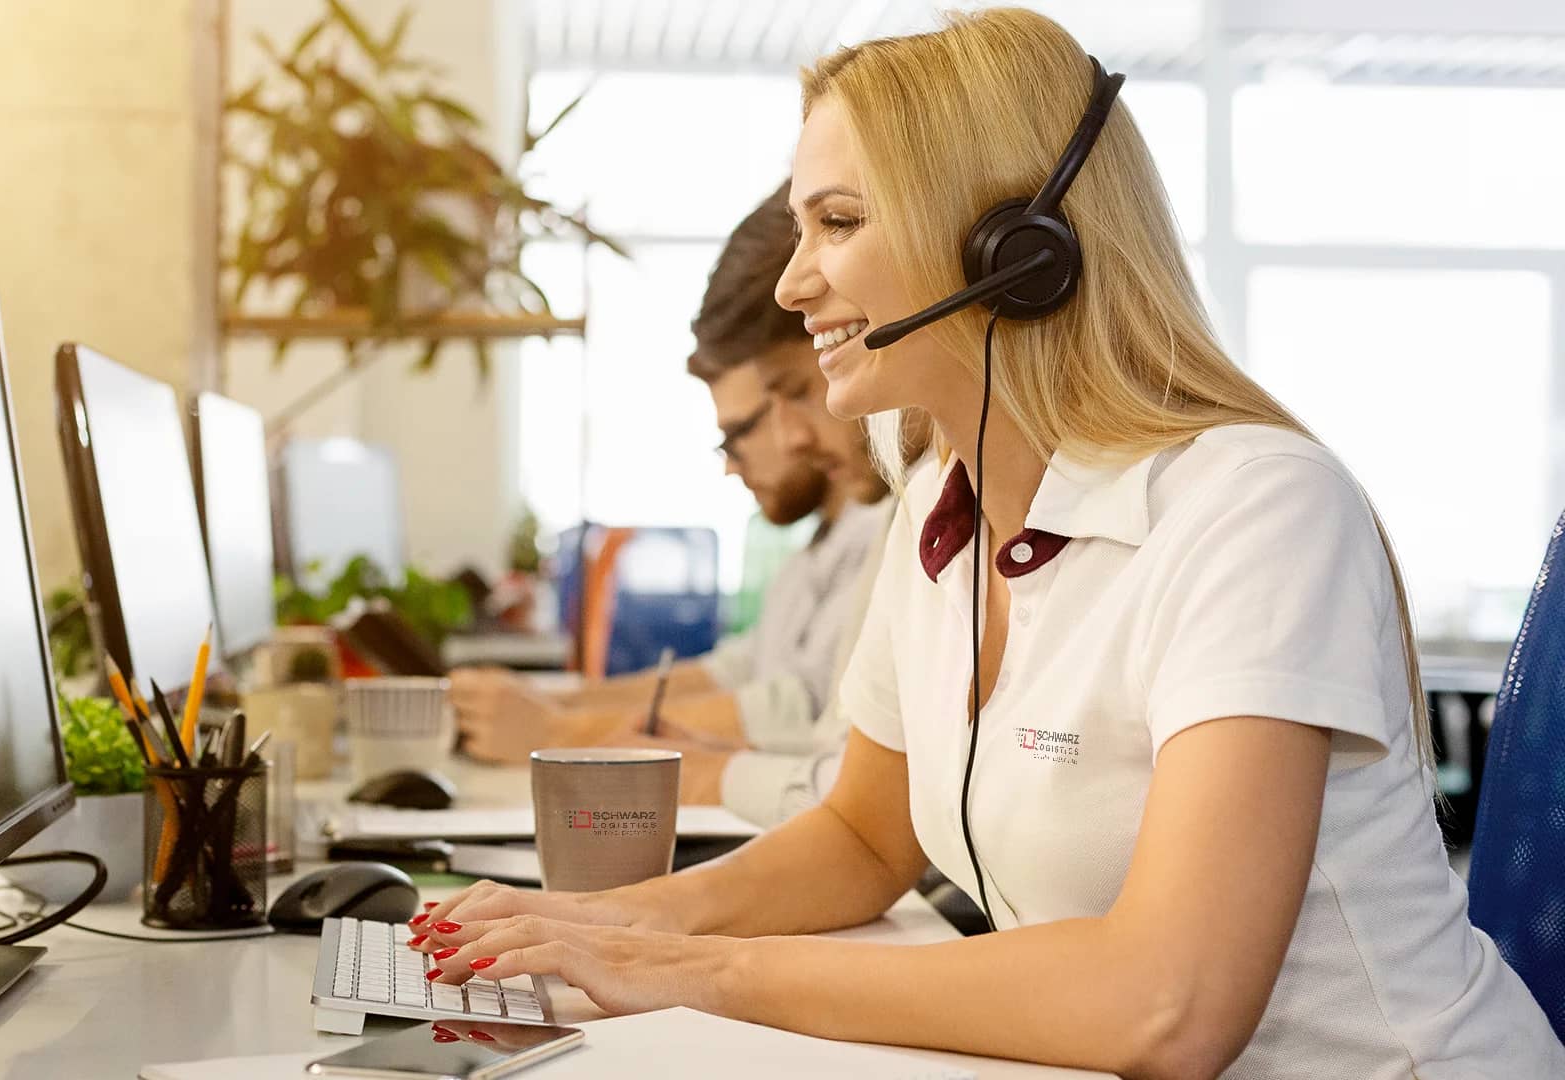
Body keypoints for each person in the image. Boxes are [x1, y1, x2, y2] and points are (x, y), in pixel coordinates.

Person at [407, 12, 1565, 1078]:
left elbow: (1171, 1001)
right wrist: (617, 923)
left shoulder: (1255, 509)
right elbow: (865, 836)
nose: (799, 281)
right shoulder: (937, 507)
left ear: (1020, 248)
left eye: (840, 224)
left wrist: (700, 975)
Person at [450, 185, 887, 770]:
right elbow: (745, 669)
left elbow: (802, 707)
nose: (788, 437)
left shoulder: (887, 517)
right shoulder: (836, 531)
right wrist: (557, 705)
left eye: (791, 393)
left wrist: (562, 730)